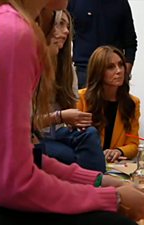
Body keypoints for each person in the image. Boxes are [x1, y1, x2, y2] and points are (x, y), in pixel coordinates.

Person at [0, 1, 144, 224]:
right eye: (111, 67)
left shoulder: (2, 23)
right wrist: (113, 197)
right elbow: (13, 184)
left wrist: (102, 181)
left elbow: (29, 159)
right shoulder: (11, 32)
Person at [39, 10, 106, 173]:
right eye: (61, 24)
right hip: (35, 134)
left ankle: (97, 185)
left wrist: (74, 120)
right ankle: (97, 185)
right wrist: (61, 116)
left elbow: (71, 107)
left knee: (90, 133)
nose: (67, 31)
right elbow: (26, 123)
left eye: (68, 26)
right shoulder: (32, 66)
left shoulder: (67, 68)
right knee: (71, 156)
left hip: (59, 131)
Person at [77, 46, 140, 163]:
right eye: (111, 67)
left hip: (115, 165)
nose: (119, 70)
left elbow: (133, 144)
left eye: (121, 65)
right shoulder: (81, 98)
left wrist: (118, 151)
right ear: (98, 71)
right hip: (86, 162)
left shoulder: (132, 103)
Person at [68, 0, 137, 88]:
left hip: (113, 69)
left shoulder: (120, 3)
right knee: (84, 101)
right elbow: (63, 36)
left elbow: (130, 43)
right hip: (84, 70)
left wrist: (124, 74)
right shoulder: (74, 2)